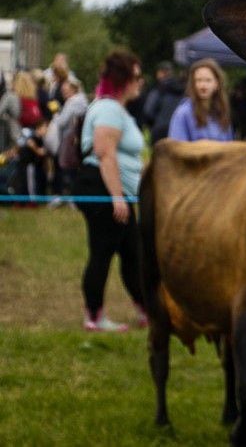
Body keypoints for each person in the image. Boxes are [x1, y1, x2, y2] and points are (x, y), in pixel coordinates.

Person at [73, 49, 146, 332]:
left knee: (131, 252)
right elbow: (105, 154)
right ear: (124, 79)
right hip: (103, 189)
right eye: (137, 76)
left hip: (116, 191)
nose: (141, 82)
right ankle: (94, 316)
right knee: (102, 252)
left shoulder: (115, 109)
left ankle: (145, 310)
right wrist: (117, 197)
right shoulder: (109, 109)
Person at [168, 58, 233, 142]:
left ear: (216, 84)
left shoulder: (222, 112)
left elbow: (230, 147)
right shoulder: (183, 113)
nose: (203, 86)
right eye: (198, 80)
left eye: (208, 80)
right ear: (193, 84)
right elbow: (177, 149)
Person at [142, 60, 185, 144]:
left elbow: (148, 111)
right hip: (178, 132)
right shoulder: (183, 89)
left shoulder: (158, 90)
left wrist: (152, 125)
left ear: (161, 72)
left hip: (159, 131)